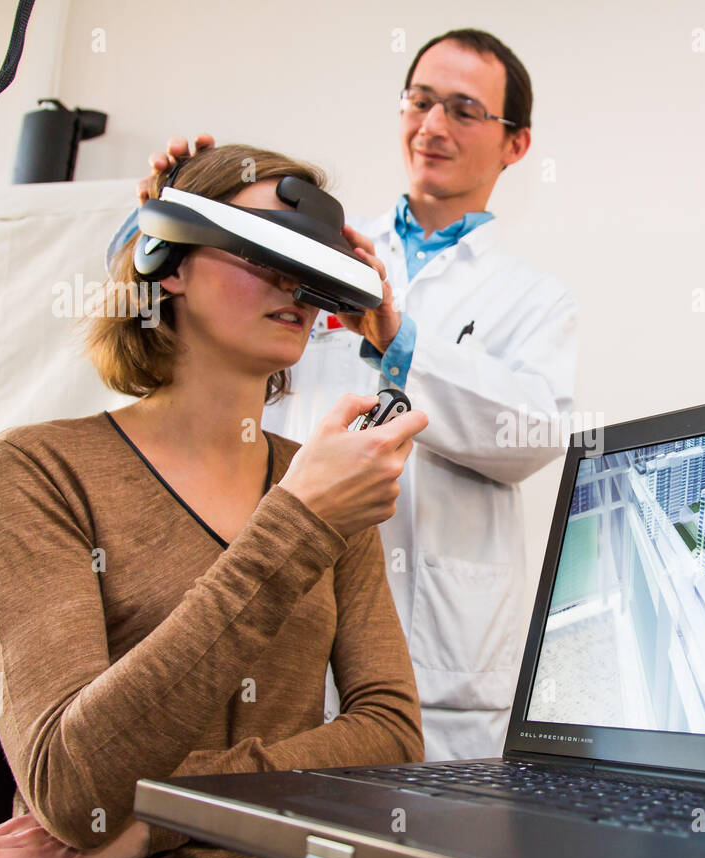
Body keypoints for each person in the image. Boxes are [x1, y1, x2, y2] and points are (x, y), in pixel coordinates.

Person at [0, 144, 429, 858]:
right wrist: (298, 524)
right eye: (264, 252)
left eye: (312, 267)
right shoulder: (41, 469)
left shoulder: (324, 478)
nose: (295, 287)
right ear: (168, 262)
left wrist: (161, 817)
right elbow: (72, 783)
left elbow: (393, 734)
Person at [123, 29, 579, 761]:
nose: (432, 127)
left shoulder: (536, 300)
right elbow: (193, 353)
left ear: (516, 144)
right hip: (289, 622)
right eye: (421, 102)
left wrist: (396, 339)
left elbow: (531, 440)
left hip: (444, 663)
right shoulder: (313, 253)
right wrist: (173, 221)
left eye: (464, 110)